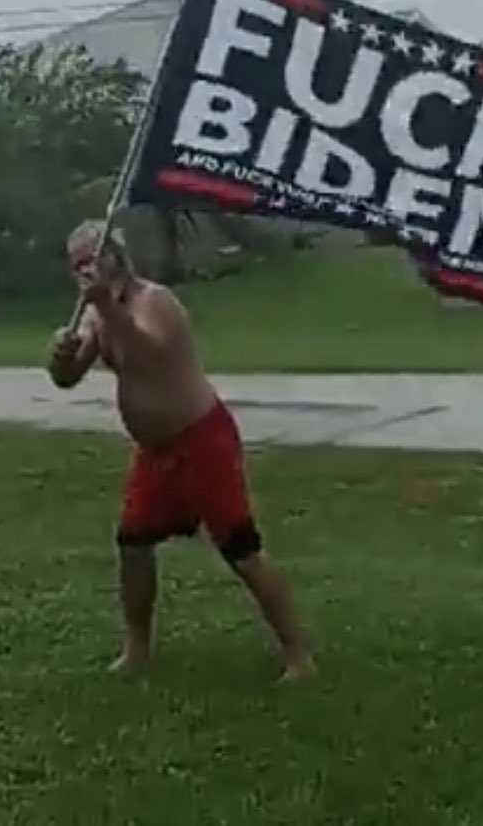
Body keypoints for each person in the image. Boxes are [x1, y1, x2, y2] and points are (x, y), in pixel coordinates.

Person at [47, 219, 316, 683]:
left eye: (92, 260)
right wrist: (60, 359)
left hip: (201, 441)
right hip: (154, 451)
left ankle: (298, 655)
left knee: (241, 550)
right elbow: (69, 377)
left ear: (116, 254)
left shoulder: (156, 302)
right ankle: (137, 649)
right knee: (132, 544)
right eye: (77, 266)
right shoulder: (97, 313)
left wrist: (105, 308)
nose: (85, 273)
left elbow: (145, 354)